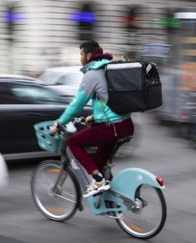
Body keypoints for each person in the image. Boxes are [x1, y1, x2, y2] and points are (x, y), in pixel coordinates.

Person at [50, 40, 134, 198]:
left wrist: (59, 123)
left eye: (81, 54)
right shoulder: (109, 69)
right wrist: (94, 117)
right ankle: (112, 202)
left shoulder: (93, 74)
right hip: (125, 125)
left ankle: (98, 180)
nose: (80, 58)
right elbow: (109, 100)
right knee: (99, 164)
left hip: (111, 128)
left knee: (73, 142)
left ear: (89, 55)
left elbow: (77, 105)